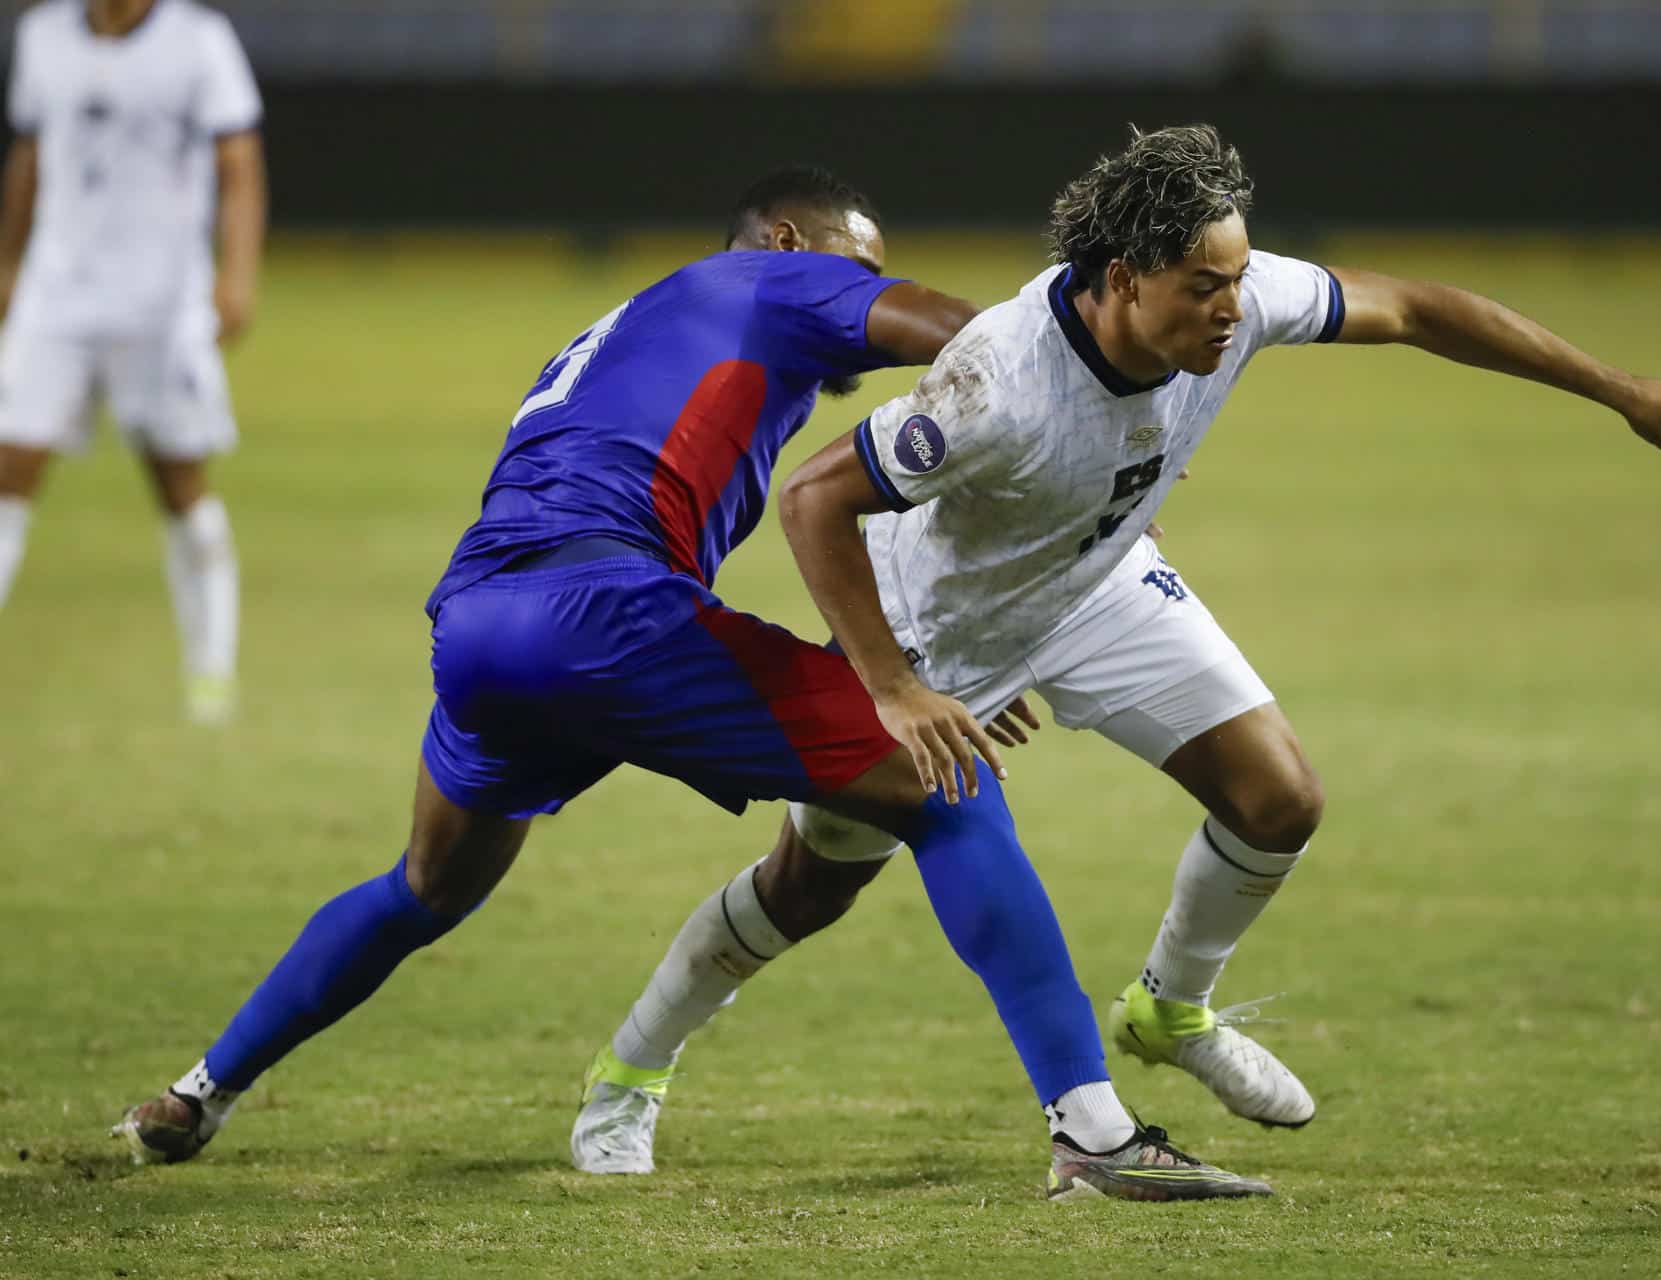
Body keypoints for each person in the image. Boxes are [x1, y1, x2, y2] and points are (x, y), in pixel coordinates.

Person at [579, 125, 1661, 1173]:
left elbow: (1419, 310)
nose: (1236, 311)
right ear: (1123, 278)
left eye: (1240, 279)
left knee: (1279, 797)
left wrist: (1621, 389)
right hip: (945, 631)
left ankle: (1172, 1010)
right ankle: (628, 1077)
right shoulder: (996, 382)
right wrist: (895, 683)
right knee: (809, 887)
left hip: (1099, 584)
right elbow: (816, 495)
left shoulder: (1230, 296)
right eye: (1207, 289)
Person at [112, 167, 1274, 1203]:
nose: (857, 290)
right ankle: (1092, 1130)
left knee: (426, 884)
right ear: (783, 240)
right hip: (610, 615)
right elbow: (991, 347)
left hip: (478, 624)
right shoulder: (773, 281)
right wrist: (1095, 450)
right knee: (948, 786)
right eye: (852, 263)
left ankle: (198, 1089)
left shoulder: (624, 324)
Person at [0, 0, 266, 724]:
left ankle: (211, 674)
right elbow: (29, 153)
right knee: (9, 469)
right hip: (57, 298)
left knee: (179, 483)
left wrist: (235, 274)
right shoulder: (41, 37)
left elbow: (238, 163)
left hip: (161, 304)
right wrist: (9, 259)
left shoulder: (198, 42)